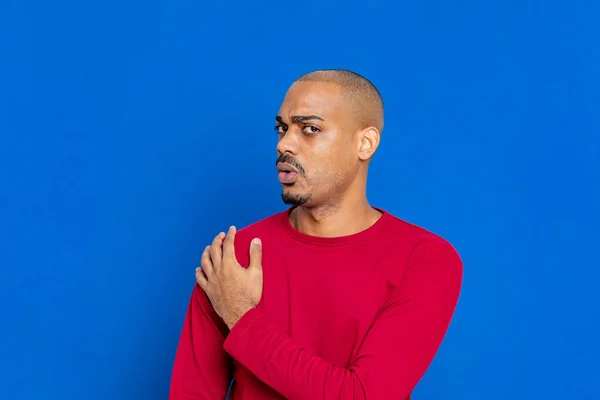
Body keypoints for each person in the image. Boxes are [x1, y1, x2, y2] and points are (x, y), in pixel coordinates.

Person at [168, 69, 463, 400]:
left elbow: (363, 396)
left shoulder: (424, 259)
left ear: (365, 143)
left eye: (310, 129)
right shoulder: (232, 260)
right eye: (282, 128)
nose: (284, 144)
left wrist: (241, 317)